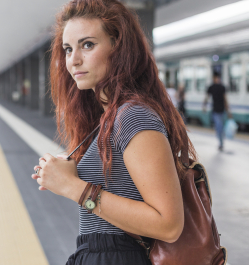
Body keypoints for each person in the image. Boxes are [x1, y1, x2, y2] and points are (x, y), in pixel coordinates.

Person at [30, 0, 196, 264]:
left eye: (88, 45)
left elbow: (168, 224)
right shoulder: (107, 117)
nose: (73, 60)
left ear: (118, 47)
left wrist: (74, 187)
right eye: (68, 49)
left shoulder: (133, 116)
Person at [203, 73, 231, 151]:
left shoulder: (222, 87)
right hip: (215, 111)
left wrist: (228, 110)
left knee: (221, 127)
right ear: (214, 78)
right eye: (216, 78)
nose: (217, 79)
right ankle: (221, 143)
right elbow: (207, 97)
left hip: (222, 111)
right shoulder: (211, 87)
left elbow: (225, 99)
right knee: (219, 127)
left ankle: (221, 141)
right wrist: (204, 105)